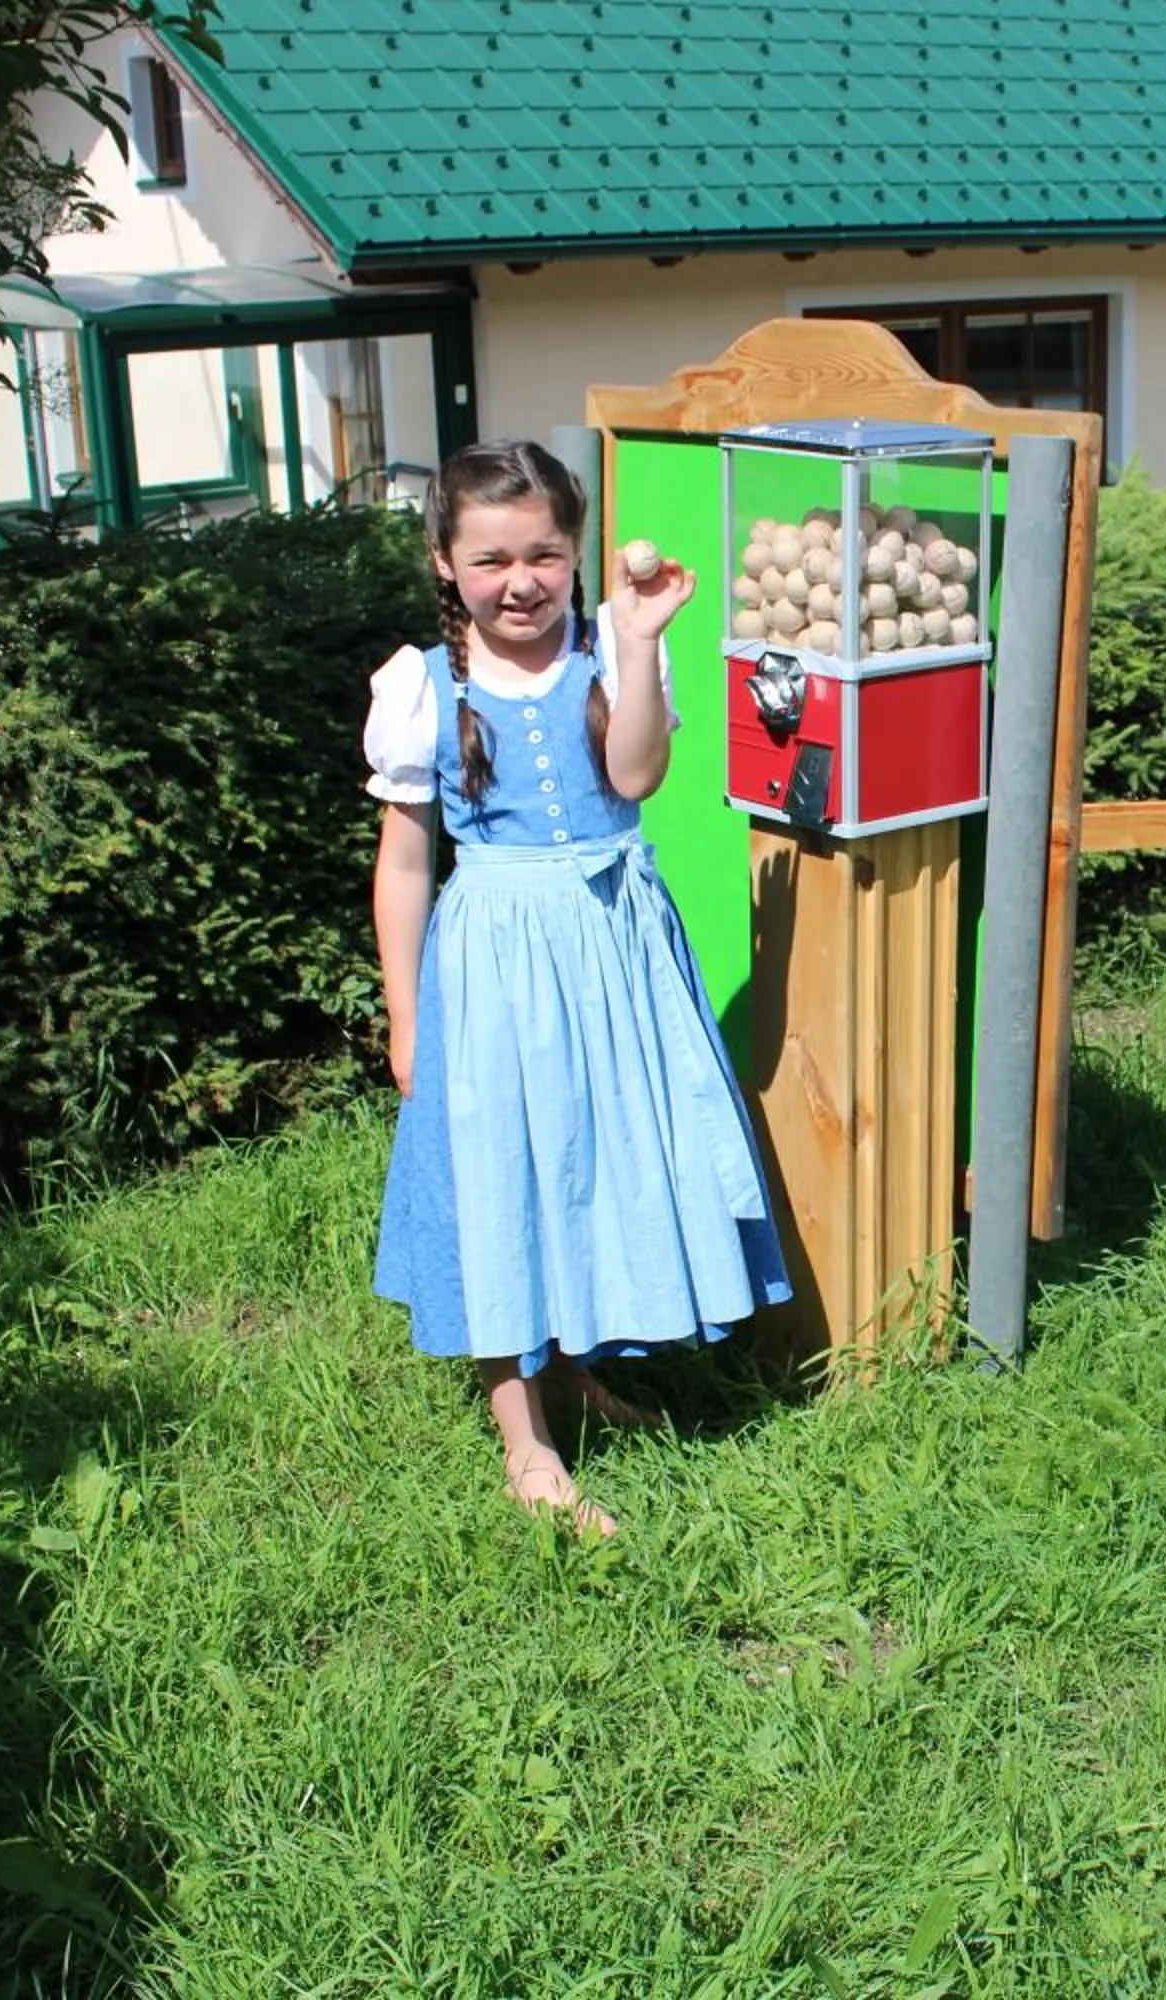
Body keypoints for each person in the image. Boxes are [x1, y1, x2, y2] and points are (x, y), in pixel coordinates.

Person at [364, 439, 790, 1537]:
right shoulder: (424, 683)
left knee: (597, 1152)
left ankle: (581, 1364)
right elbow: (405, 863)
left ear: (576, 550)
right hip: (495, 964)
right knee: (505, 1171)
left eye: (546, 554)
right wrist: (406, 1015)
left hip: (614, 950)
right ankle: (526, 1436)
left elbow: (637, 775)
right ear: (446, 563)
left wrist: (642, 643)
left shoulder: (611, 649)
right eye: (493, 557)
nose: (522, 580)